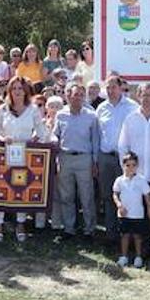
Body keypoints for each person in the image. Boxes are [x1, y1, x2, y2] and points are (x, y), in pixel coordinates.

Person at [0, 76, 49, 240]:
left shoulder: (33, 110)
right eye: (14, 88)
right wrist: (3, 139)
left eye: (20, 88)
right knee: (1, 188)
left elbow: (41, 131)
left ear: (26, 91)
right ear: (9, 90)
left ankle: (20, 223)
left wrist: (36, 139)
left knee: (22, 187)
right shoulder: (3, 109)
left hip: (26, 154)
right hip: (4, 154)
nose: (17, 91)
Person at [54, 82, 100, 239]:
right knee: (66, 196)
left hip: (84, 159)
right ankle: (69, 228)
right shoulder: (60, 115)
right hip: (65, 158)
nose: (79, 98)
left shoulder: (91, 116)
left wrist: (95, 162)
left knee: (86, 196)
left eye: (82, 95)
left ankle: (89, 229)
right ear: (68, 96)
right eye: (76, 94)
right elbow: (56, 136)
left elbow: (95, 140)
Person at [95, 76, 137, 241]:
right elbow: (97, 134)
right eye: (108, 88)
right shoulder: (101, 108)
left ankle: (129, 236)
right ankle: (111, 235)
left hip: (126, 160)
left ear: (121, 88)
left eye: (114, 87)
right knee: (108, 196)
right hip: (106, 157)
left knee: (128, 196)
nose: (111, 91)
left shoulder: (132, 107)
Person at [112, 152, 150, 268]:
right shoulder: (119, 180)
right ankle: (124, 256)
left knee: (137, 236)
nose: (130, 168)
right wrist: (119, 205)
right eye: (128, 165)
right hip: (124, 214)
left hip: (137, 214)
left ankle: (138, 257)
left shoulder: (141, 180)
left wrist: (149, 210)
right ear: (123, 165)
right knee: (124, 235)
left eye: (133, 165)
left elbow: (147, 196)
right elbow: (115, 194)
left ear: (137, 166)